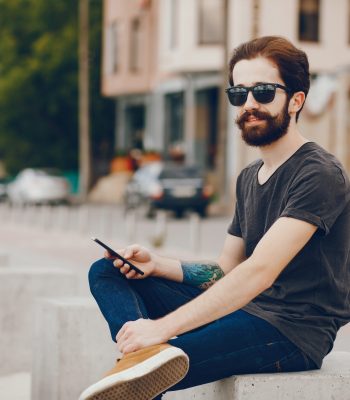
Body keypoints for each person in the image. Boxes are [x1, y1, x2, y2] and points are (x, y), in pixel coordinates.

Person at [79, 36, 350, 400]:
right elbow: (227, 269)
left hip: (292, 331)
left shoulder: (318, 173)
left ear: (296, 100)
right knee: (107, 271)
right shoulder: (248, 177)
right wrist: (160, 265)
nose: (249, 104)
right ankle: (143, 361)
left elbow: (258, 271)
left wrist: (159, 329)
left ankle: (142, 363)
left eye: (264, 92)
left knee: (148, 371)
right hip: (245, 311)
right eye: (239, 94)